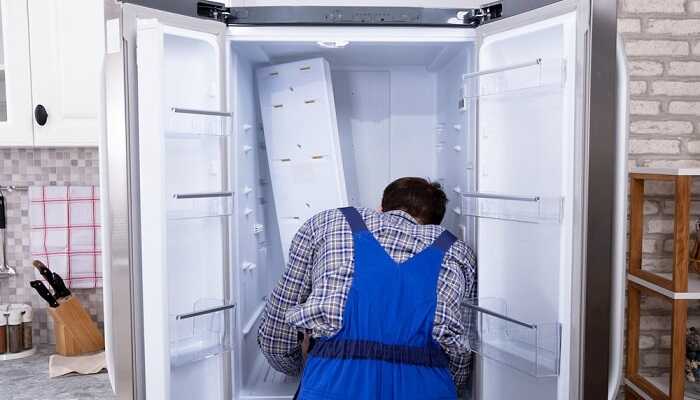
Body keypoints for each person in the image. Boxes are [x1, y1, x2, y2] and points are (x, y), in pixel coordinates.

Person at [258, 177, 477, 400]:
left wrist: (297, 368)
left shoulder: (327, 222)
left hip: (334, 379)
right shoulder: (459, 252)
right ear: (435, 225)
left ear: (381, 207)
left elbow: (278, 327)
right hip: (427, 386)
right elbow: (461, 355)